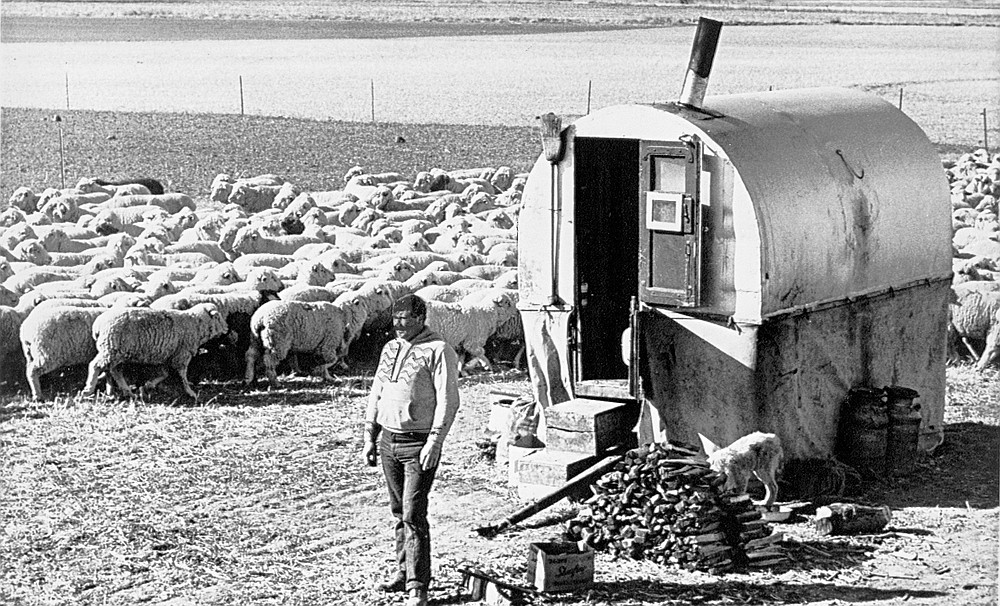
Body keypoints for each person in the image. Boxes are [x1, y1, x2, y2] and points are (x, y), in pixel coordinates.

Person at [362, 294, 461, 606]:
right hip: (388, 440)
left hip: (418, 443)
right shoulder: (390, 348)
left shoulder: (438, 350)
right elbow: (377, 391)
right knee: (397, 512)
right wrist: (369, 435)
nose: (398, 324)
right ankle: (403, 573)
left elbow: (449, 399)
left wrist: (435, 440)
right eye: (395, 318)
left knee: (413, 513)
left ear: (421, 317)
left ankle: (418, 585)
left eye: (405, 318)